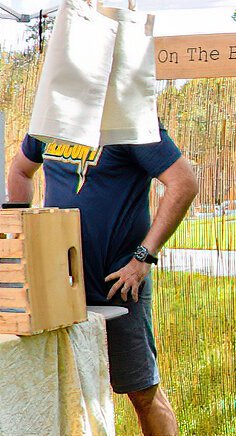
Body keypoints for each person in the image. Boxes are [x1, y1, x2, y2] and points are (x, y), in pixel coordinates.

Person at [7, 130, 198, 435]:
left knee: (142, 393)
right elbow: (20, 168)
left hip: (118, 286)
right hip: (56, 287)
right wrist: (19, 232)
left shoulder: (130, 120)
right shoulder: (49, 119)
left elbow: (184, 182)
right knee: (65, 392)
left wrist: (143, 259)